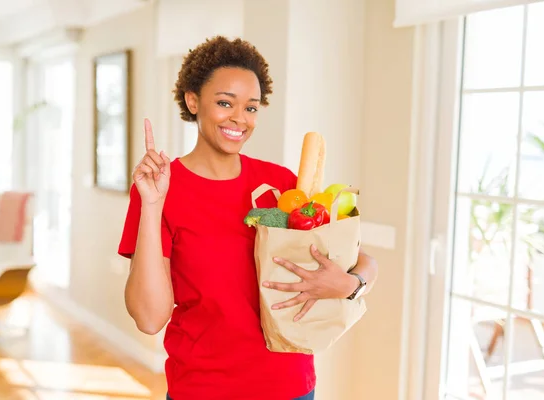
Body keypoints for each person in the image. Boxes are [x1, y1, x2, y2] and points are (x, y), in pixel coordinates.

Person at [118, 36, 379, 400]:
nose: (239, 118)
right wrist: (151, 204)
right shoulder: (159, 191)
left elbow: (363, 261)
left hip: (290, 387)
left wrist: (350, 286)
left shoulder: (284, 187)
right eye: (225, 103)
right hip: (203, 389)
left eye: (251, 108)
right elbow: (149, 318)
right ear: (193, 101)